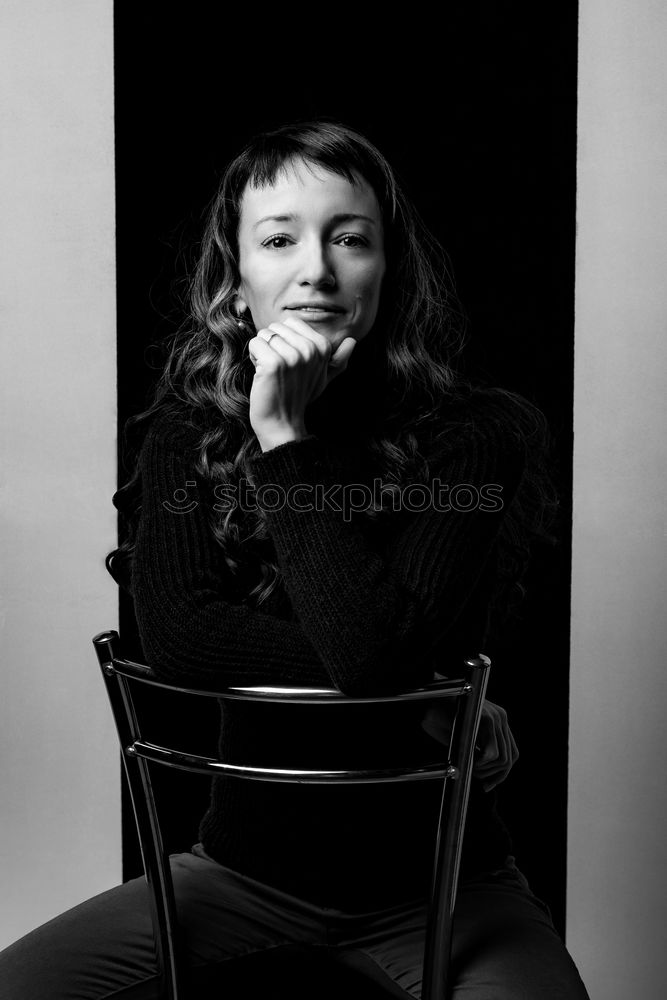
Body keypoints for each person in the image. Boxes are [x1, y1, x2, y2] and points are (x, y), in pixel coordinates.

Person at [0, 121, 589, 998]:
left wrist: (284, 437)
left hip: (444, 885)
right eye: (278, 240)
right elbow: (187, 640)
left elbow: (370, 652)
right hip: (240, 875)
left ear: (388, 271)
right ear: (237, 284)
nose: (316, 267)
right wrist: (415, 695)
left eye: (349, 238)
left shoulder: (476, 437)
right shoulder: (185, 436)